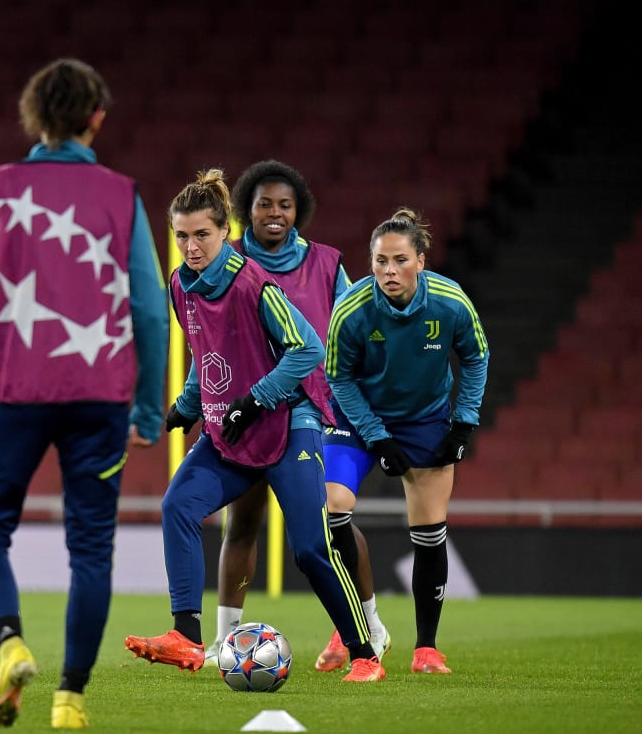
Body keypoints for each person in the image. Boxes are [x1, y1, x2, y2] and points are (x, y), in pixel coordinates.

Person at [0, 57, 169, 729]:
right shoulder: (124, 195)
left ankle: (10, 643)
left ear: (32, 116)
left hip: (18, 390)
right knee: (91, 547)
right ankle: (70, 700)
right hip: (101, 392)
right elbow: (150, 309)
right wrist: (148, 406)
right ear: (97, 117)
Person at [123, 169, 386, 684]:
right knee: (178, 505)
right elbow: (207, 351)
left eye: (201, 234)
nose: (191, 246)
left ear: (225, 231)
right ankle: (186, 636)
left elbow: (308, 348)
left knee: (310, 549)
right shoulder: (181, 285)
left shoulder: (254, 285)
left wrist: (256, 398)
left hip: (291, 423)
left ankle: (365, 654)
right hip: (232, 428)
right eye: (181, 235)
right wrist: (187, 404)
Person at [206, 160, 391, 671]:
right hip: (249, 411)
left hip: (314, 410)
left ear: (298, 211)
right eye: (264, 203)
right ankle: (225, 641)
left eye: (285, 205)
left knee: (330, 522)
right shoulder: (226, 261)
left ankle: (370, 624)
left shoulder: (328, 265)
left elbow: (353, 327)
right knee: (241, 522)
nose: (274, 213)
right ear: (246, 208)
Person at [324, 207, 489, 675]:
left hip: (425, 420)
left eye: (399, 260)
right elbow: (339, 378)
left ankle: (426, 649)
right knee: (333, 509)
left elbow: (476, 357)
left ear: (421, 260)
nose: (388, 271)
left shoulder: (451, 302)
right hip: (356, 419)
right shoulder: (352, 308)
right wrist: (376, 436)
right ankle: (367, 624)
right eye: (379, 261)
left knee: (429, 531)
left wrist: (463, 424)